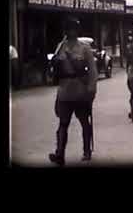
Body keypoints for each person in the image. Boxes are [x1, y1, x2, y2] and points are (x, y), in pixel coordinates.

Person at [48, 17, 98, 167]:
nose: (71, 32)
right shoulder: (60, 47)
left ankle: (86, 150)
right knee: (63, 124)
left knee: (84, 121)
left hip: (80, 90)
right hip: (64, 90)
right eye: (68, 29)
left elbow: (93, 71)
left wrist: (91, 89)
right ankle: (60, 153)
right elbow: (53, 70)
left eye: (73, 29)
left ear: (77, 31)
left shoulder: (84, 48)